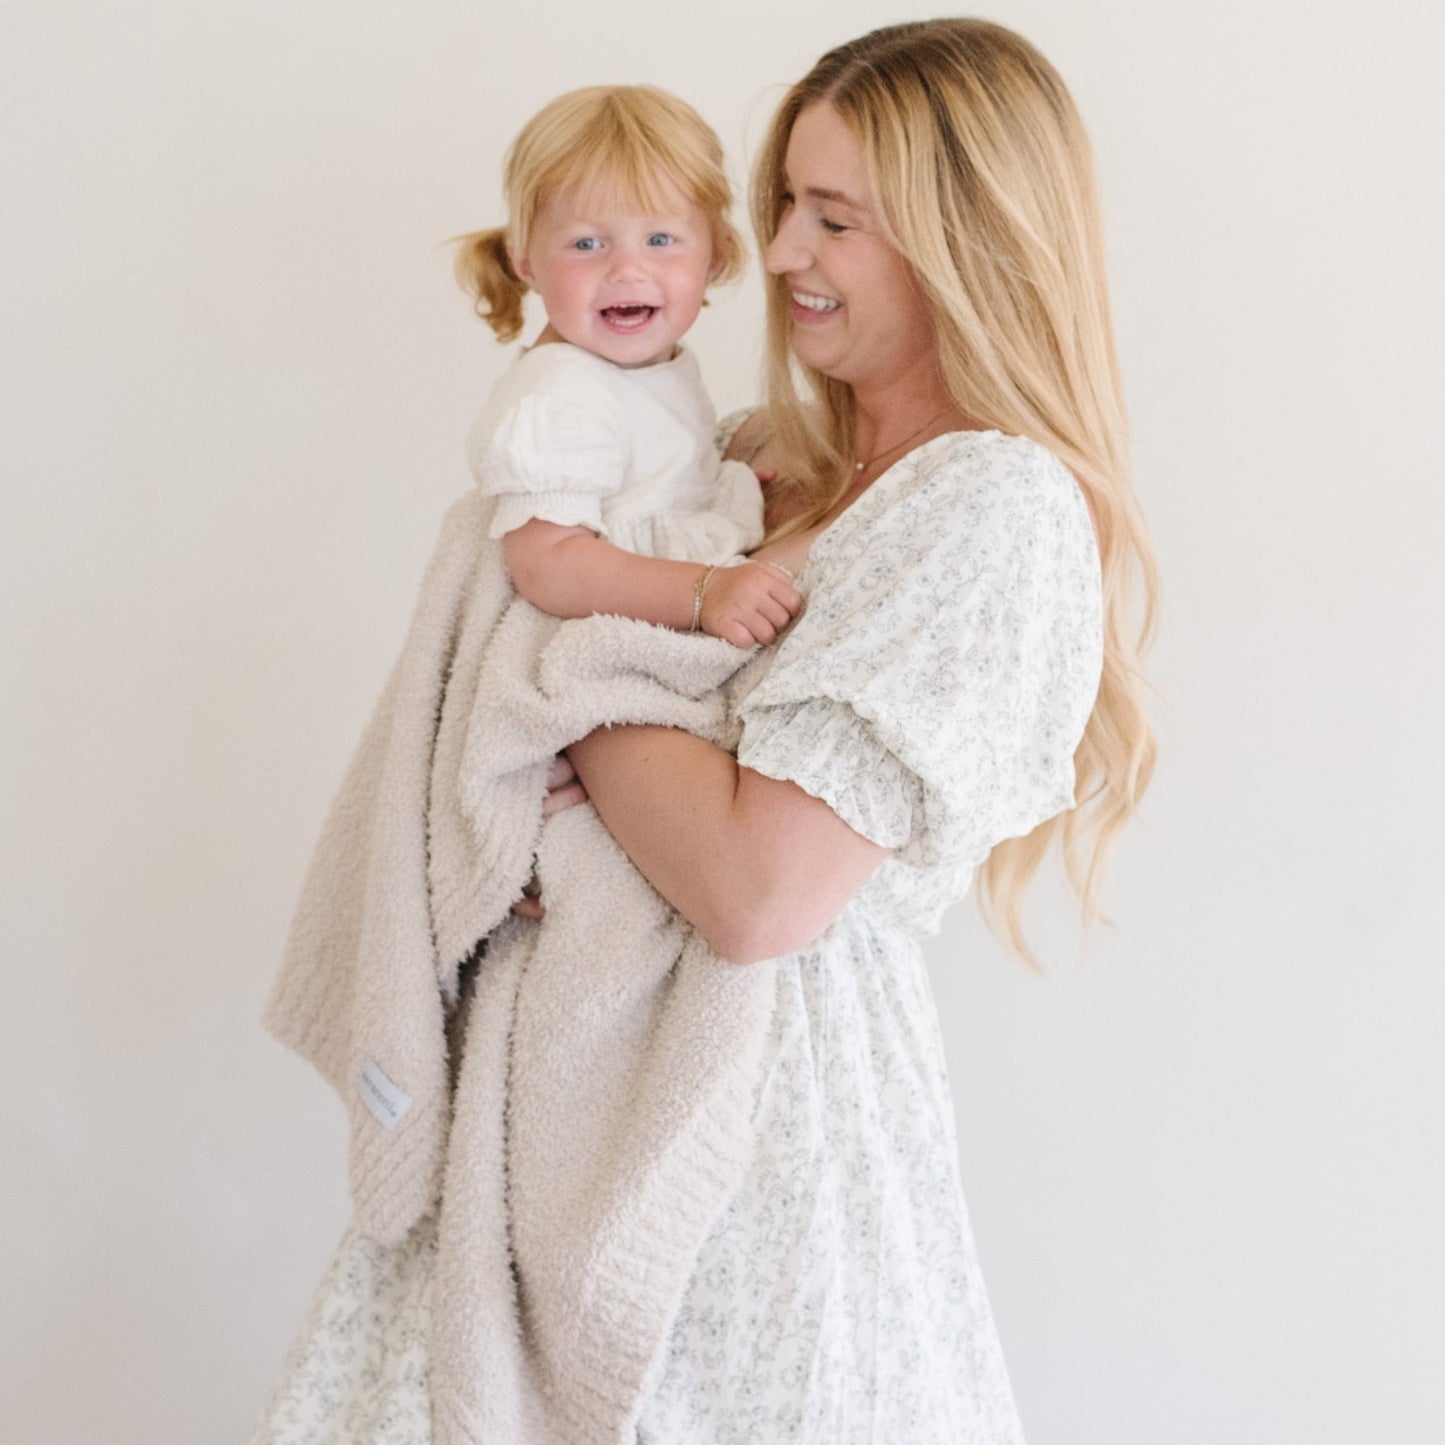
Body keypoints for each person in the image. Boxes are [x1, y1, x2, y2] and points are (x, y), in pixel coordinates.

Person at [252, 19, 1157, 1444]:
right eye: (785, 203)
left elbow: (755, 888)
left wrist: (560, 681)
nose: (782, 252)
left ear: (960, 240)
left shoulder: (987, 507)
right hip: (553, 1098)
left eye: (837, 218)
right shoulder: (747, 466)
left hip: (760, 1148)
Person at [453, 84, 801, 649]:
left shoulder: (653, 364)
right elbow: (551, 566)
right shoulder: (555, 399)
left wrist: (707, 490)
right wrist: (703, 592)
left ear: (714, 255)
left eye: (660, 239)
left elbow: (647, 474)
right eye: (587, 243)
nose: (628, 270)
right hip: (607, 632)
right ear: (526, 261)